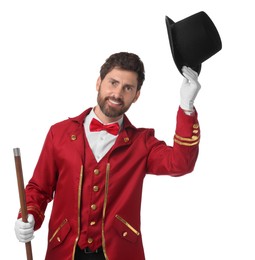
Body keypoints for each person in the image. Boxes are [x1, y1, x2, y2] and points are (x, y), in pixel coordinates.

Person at [14, 52, 201, 260]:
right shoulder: (59, 134)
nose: (117, 93)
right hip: (65, 252)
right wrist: (28, 214)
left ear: (136, 95)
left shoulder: (142, 142)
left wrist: (186, 106)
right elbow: (39, 188)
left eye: (127, 88)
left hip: (120, 253)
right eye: (113, 83)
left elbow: (180, 163)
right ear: (99, 82)